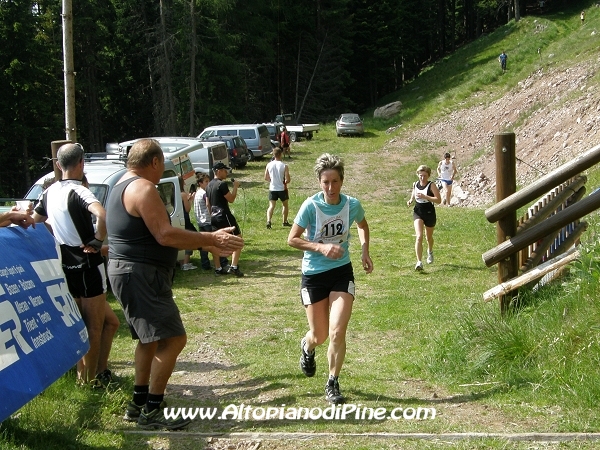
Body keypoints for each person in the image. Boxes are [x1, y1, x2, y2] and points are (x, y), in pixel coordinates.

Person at [106, 138, 243, 430]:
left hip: (126, 272)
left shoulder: (119, 184)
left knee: (149, 340)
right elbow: (164, 235)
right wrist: (211, 239)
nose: (162, 173)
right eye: (162, 166)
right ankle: (152, 410)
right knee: (175, 339)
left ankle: (138, 403)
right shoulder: (143, 188)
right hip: (142, 275)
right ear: (154, 162)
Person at [287, 153, 373, 405]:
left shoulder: (351, 205)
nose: (330, 188)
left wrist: (365, 250)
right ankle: (308, 346)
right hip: (313, 276)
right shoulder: (310, 206)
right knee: (320, 335)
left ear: (342, 181)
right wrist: (320, 247)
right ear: (319, 182)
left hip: (341, 273)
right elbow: (292, 239)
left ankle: (332, 382)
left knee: (337, 331)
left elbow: (363, 225)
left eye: (335, 182)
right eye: (326, 182)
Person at [32, 143, 108, 388]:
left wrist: (55, 237)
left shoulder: (49, 192)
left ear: (57, 165)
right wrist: (97, 241)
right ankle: (91, 379)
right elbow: (102, 214)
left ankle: (80, 377)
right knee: (94, 327)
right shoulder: (80, 191)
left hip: (66, 265)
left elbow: (35, 221)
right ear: (81, 164)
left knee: (78, 325)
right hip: (89, 263)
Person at [206, 161, 244, 277]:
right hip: (224, 215)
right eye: (224, 170)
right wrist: (235, 187)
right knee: (238, 239)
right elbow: (231, 199)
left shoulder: (208, 185)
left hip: (213, 216)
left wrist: (211, 215)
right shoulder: (221, 184)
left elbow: (208, 204)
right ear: (218, 171)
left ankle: (218, 268)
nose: (226, 172)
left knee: (215, 242)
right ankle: (234, 266)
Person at [407, 165, 441, 271]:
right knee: (419, 236)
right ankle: (419, 262)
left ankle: (430, 251)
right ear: (418, 175)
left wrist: (426, 197)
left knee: (428, 238)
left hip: (429, 212)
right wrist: (411, 200)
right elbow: (414, 192)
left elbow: (438, 200)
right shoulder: (416, 184)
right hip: (418, 212)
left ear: (428, 176)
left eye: (425, 176)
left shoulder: (432, 185)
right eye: (420, 175)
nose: (422, 178)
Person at [193, 172, 228, 271]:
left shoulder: (197, 193)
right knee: (215, 243)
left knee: (204, 244)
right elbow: (209, 204)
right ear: (200, 183)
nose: (208, 184)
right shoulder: (204, 193)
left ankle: (205, 264)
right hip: (208, 221)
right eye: (206, 181)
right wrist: (212, 214)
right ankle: (222, 261)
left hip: (200, 222)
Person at [265, 147, 292, 229]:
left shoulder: (269, 165)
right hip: (282, 188)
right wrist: (285, 181)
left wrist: (272, 181)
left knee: (271, 206)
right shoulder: (284, 166)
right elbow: (288, 179)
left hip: (272, 188)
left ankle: (269, 221)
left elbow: (266, 177)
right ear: (280, 154)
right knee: (285, 205)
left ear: (273, 154)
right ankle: (284, 221)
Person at [178, 176, 198, 271]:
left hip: (178, 219)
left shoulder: (174, 193)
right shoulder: (183, 194)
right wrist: (190, 200)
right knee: (190, 239)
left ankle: (182, 262)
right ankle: (186, 263)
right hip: (185, 219)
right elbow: (187, 209)